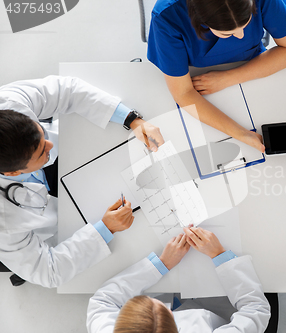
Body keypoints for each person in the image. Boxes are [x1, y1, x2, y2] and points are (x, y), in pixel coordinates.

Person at [0, 75, 165, 288]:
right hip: (20, 230)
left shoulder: (8, 103)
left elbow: (67, 90)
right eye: (42, 150)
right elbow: (48, 272)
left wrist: (131, 119)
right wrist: (106, 229)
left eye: (42, 134)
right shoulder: (5, 222)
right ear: (13, 173)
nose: (50, 144)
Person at [147, 0, 286, 152]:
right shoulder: (167, 16)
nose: (241, 35)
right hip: (198, 79)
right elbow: (183, 93)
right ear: (199, 18)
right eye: (226, 33)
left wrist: (228, 78)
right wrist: (241, 134)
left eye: (247, 22)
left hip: (255, 69)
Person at [87, 227, 271, 332]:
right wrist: (219, 254)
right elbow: (256, 310)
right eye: (156, 304)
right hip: (223, 308)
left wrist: (161, 264)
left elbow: (102, 301)